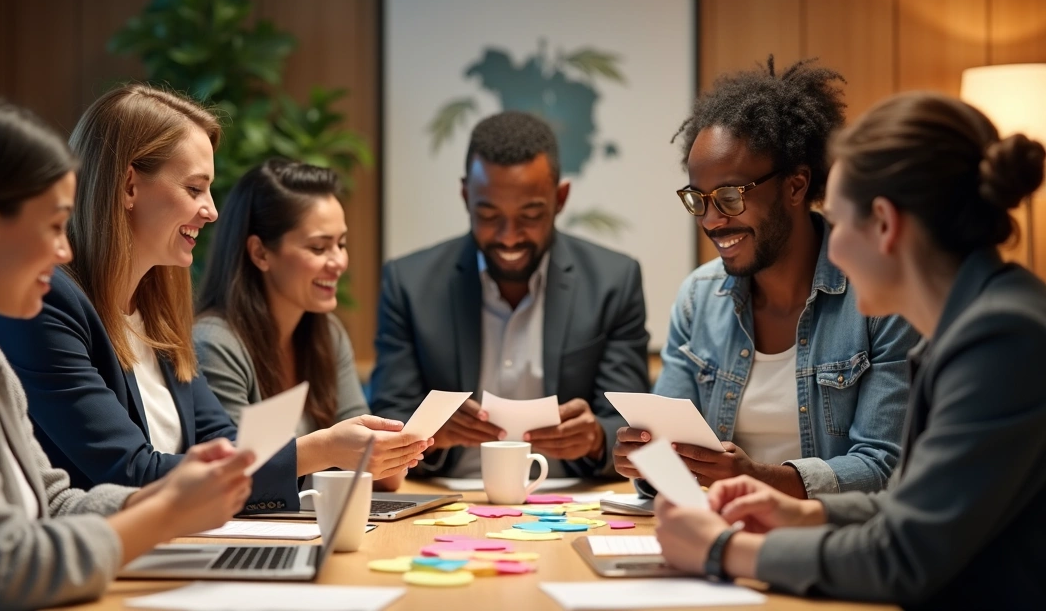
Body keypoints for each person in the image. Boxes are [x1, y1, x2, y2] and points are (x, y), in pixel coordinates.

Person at [0, 99, 255, 609]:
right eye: (54, 226)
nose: (65, 252)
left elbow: (51, 503)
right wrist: (164, 515)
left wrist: (166, 496)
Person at [652, 91, 1046, 608]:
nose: (830, 248)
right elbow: (907, 507)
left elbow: (902, 557)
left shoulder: (1000, 339)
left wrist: (723, 549)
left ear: (884, 224)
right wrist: (803, 513)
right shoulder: (975, 322)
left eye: (837, 221)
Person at [0, 85, 337, 512]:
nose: (212, 211)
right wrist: (319, 450)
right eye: (194, 189)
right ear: (129, 185)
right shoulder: (47, 303)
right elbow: (130, 472)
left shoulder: (159, 308)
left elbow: (224, 447)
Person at [613, 58, 917, 497]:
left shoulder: (879, 299)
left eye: (730, 196)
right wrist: (646, 462)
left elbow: (885, 466)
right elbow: (671, 459)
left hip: (830, 543)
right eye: (698, 199)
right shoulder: (698, 298)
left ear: (796, 186)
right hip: (716, 534)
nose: (712, 220)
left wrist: (762, 479)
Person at [371, 110, 650, 478]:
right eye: (488, 215)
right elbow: (389, 418)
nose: (508, 236)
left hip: (572, 499)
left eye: (530, 215)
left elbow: (629, 427)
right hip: (443, 496)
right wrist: (431, 434)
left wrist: (596, 437)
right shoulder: (409, 283)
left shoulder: (613, 281)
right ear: (465, 196)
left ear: (560, 198)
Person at [195, 159, 430, 491]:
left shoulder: (327, 334)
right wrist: (331, 450)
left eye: (342, 244)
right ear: (260, 253)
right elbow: (233, 477)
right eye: (319, 247)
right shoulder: (214, 343)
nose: (339, 263)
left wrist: (391, 454)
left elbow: (381, 477)